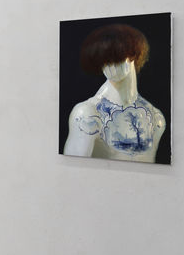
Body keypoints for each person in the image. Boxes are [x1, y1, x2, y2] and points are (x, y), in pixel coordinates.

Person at [64, 24, 165, 163]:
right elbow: (72, 168)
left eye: (116, 57)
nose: (110, 66)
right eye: (103, 60)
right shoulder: (87, 114)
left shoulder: (156, 118)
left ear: (133, 54)